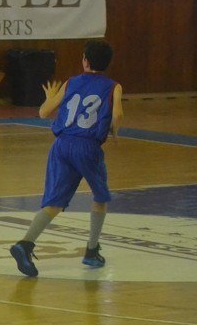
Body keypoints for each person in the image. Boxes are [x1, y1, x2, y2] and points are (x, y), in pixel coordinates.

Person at [9, 40, 124, 277]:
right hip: (87, 147)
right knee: (100, 197)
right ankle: (91, 251)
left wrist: (51, 96)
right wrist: (114, 131)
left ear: (85, 61)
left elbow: (43, 112)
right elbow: (118, 115)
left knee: (54, 202)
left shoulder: (71, 82)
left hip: (61, 146)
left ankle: (25, 244)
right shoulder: (114, 87)